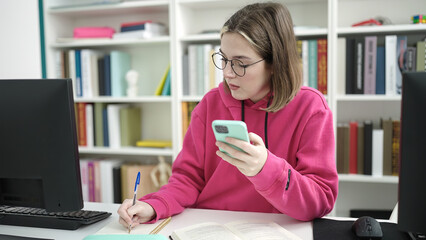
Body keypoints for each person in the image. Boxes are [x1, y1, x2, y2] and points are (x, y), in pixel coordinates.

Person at [118, 2, 338, 229]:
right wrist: (154, 205)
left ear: (274, 63)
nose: (227, 73)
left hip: (275, 230)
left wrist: (266, 168)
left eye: (240, 63)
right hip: (209, 227)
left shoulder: (311, 108)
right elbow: (187, 179)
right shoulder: (209, 104)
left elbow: (320, 202)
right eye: (224, 59)